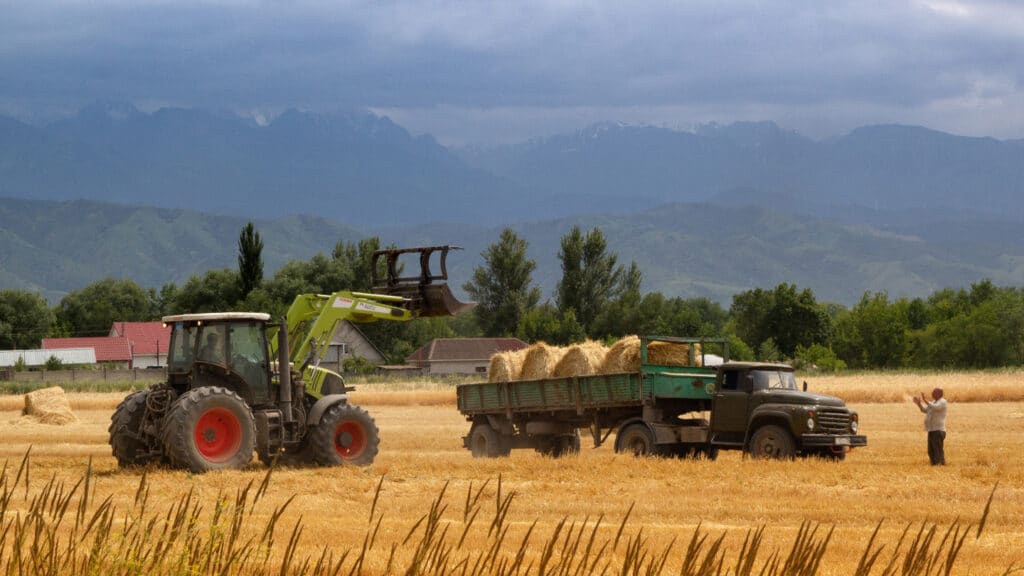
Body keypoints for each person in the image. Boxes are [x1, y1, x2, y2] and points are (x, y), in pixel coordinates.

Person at [913, 387, 947, 465]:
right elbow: (925, 410)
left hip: (938, 430)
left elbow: (935, 407)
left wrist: (925, 399)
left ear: (939, 393)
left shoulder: (942, 402)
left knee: (937, 449)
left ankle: (940, 464)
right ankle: (934, 464)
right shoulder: (934, 402)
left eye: (934, 392)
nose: (932, 393)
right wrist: (919, 404)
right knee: (931, 450)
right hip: (931, 430)